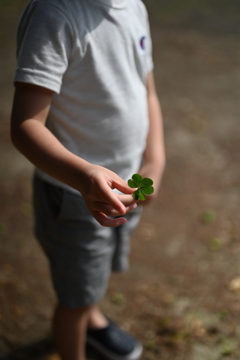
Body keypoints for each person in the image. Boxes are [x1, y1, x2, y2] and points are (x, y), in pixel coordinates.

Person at [10, 0, 165, 359]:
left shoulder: (133, 6)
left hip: (125, 184)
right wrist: (83, 176)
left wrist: (155, 158)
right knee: (74, 299)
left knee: (94, 274)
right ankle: (78, 330)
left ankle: (92, 318)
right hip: (74, 197)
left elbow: (148, 91)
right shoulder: (55, 14)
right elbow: (24, 126)